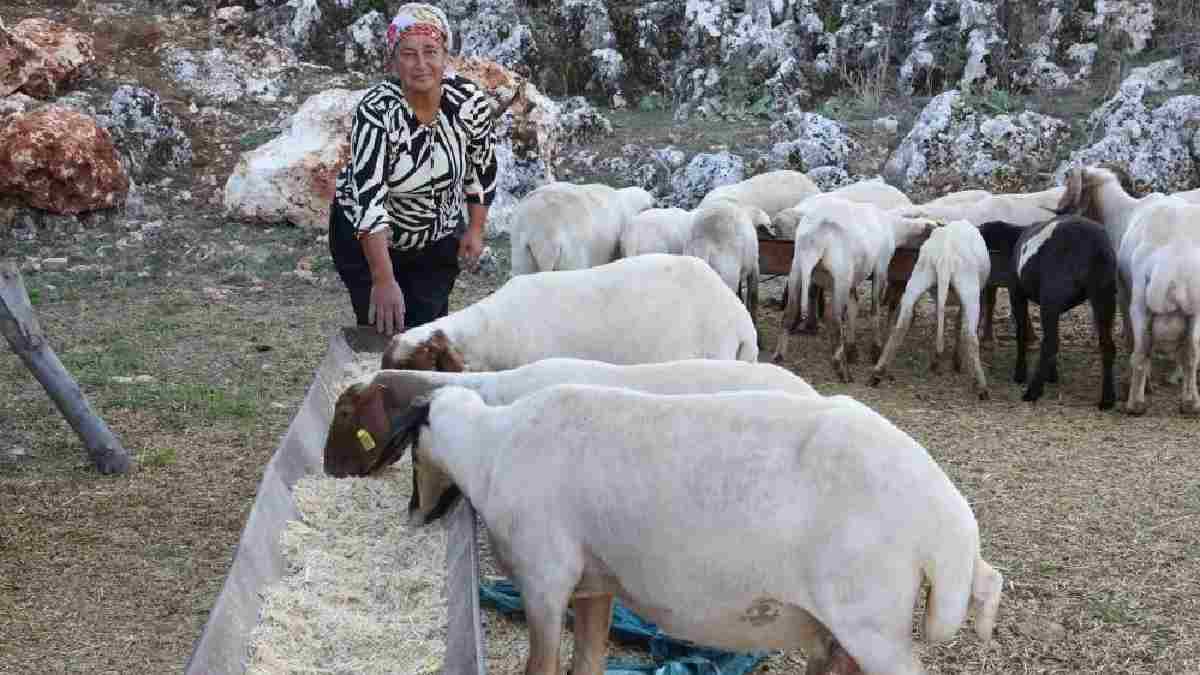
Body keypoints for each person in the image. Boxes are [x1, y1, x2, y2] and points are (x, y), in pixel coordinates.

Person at [329, 3, 497, 337]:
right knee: (384, 332)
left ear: (445, 55)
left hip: (436, 235)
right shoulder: (377, 112)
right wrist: (383, 279)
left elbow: (481, 168)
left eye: (430, 52)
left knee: (426, 333)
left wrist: (475, 230)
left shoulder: (469, 103)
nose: (421, 65)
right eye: (408, 54)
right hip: (369, 239)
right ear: (394, 61)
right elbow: (369, 201)